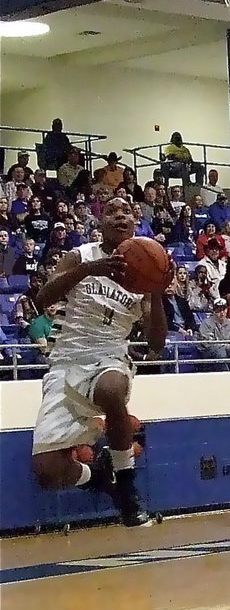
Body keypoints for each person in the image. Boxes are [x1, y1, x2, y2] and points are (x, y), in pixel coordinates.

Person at [31, 198, 169, 527]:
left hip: (108, 356)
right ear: (100, 221)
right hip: (66, 362)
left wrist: (158, 292)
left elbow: (156, 344)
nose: (120, 215)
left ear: (136, 223)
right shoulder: (81, 255)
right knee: (48, 472)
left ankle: (126, 483)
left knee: (111, 389)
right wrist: (88, 271)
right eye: (111, 210)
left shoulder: (146, 273)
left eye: (127, 211)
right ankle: (101, 479)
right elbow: (41, 301)